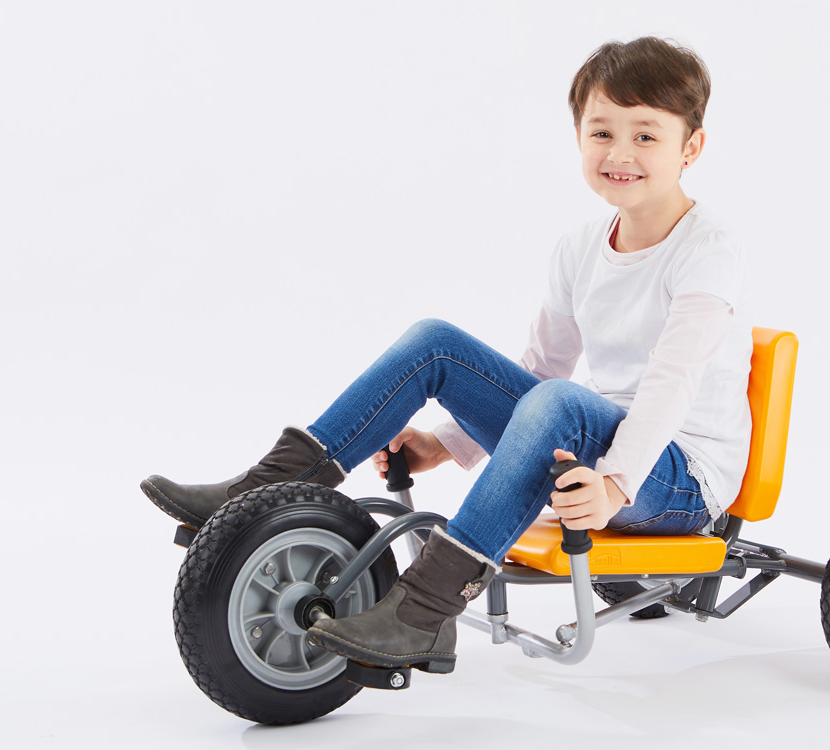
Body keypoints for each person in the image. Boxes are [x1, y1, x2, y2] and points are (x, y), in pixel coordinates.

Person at [140, 36, 752, 676]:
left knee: (565, 402)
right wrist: (446, 443)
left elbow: (671, 381)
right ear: (578, 137)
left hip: (678, 478)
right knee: (438, 342)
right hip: (595, 447)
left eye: (646, 137)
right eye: (601, 131)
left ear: (691, 148)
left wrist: (617, 485)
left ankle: (423, 614)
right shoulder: (579, 247)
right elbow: (539, 373)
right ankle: (263, 492)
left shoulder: (710, 250)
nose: (619, 153)